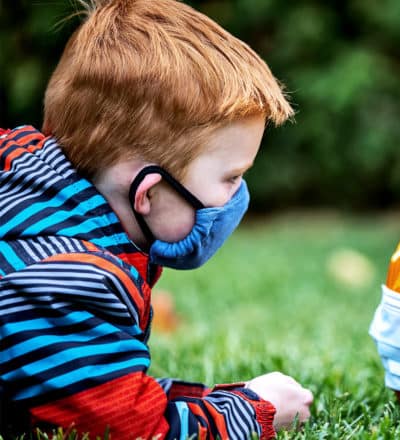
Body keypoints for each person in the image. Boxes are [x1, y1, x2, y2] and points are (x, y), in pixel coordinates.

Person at [0, 0, 313, 438]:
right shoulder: (69, 283)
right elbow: (136, 430)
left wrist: (212, 399)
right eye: (230, 177)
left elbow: (88, 393)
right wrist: (256, 409)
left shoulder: (29, 189)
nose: (238, 196)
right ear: (147, 193)